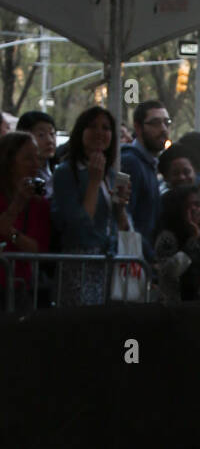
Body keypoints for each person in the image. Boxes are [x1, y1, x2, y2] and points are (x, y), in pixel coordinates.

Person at [50, 105, 132, 305]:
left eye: (106, 128)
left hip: (110, 263)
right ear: (81, 132)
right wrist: (94, 183)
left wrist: (120, 209)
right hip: (79, 264)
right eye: (92, 126)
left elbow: (123, 228)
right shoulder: (65, 172)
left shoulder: (112, 175)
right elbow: (77, 225)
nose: (100, 133)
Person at [0, 132, 51, 306]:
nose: (36, 164)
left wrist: (12, 234)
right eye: (28, 158)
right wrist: (17, 204)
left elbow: (38, 249)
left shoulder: (39, 203)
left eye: (37, 158)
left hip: (19, 287)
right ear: (9, 161)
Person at [121, 99, 171, 259]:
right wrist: (148, 256)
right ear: (138, 127)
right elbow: (126, 216)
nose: (163, 129)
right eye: (155, 123)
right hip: (133, 260)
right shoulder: (131, 162)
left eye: (166, 122)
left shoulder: (149, 164)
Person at [15, 110, 57, 199]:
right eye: (41, 135)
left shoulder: (59, 170)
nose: (50, 140)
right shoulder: (17, 177)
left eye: (52, 133)